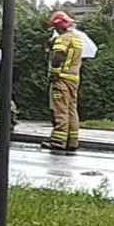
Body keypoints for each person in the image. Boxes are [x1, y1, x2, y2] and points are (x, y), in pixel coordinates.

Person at [43, 11, 83, 151]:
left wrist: (53, 74)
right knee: (72, 110)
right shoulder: (76, 38)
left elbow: (58, 56)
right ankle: (72, 141)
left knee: (60, 110)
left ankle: (58, 142)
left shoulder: (62, 39)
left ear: (58, 26)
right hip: (74, 79)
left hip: (61, 79)